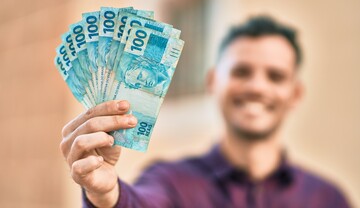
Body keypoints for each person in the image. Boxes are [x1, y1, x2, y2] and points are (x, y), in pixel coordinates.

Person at [60, 16, 351, 207]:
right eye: (241, 71)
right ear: (213, 81)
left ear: (295, 93)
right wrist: (108, 196)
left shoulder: (327, 198)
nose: (257, 87)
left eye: (275, 76)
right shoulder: (170, 182)